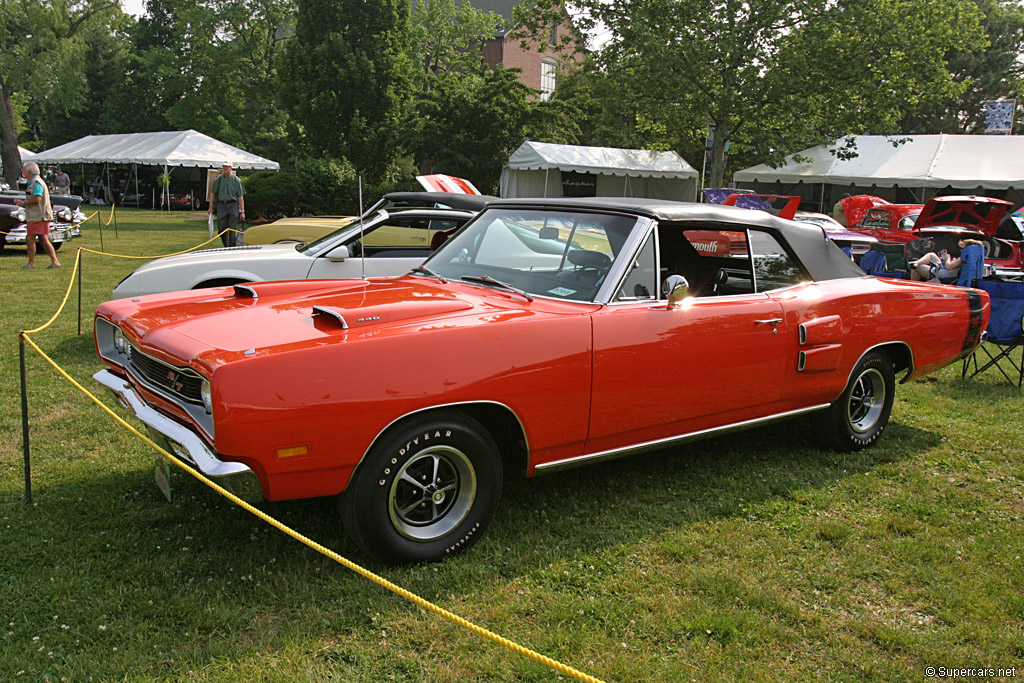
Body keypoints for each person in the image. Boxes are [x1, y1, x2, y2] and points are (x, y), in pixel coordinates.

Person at [13, 162, 61, 269]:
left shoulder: (36, 183)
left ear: (29, 172)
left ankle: (31, 263)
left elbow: (37, 199)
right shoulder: (33, 182)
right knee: (43, 239)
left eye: (24, 170)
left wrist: (23, 203)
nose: (22, 172)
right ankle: (55, 262)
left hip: (38, 216)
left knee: (30, 238)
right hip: (38, 215)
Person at [910, 239, 984, 284]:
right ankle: (916, 262)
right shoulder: (972, 259)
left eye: (963, 248)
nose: (961, 250)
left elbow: (949, 267)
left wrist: (948, 258)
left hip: (941, 274)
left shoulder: (963, 258)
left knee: (917, 268)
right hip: (944, 270)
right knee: (932, 255)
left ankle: (912, 282)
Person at [208, 161, 246, 247]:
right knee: (221, 229)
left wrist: (242, 211)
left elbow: (240, 197)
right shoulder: (218, 179)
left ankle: (231, 247)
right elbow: (213, 193)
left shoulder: (236, 180)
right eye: (224, 166)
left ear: (231, 168)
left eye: (227, 167)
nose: (225, 168)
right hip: (222, 205)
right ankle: (227, 245)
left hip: (233, 205)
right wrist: (210, 207)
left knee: (231, 229)